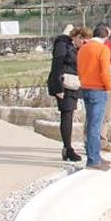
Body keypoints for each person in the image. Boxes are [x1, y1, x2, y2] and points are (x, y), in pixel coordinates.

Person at [47, 25, 90, 162]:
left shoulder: (75, 46)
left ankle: (68, 148)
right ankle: (67, 148)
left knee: (69, 114)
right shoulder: (62, 44)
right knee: (67, 115)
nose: (84, 44)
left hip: (74, 84)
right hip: (64, 84)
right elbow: (57, 65)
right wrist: (58, 88)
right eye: (83, 41)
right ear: (78, 36)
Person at [77, 25, 111, 171]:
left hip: (85, 87)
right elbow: (105, 71)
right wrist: (108, 86)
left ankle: (95, 156)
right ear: (106, 36)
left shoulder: (83, 48)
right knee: (95, 126)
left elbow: (80, 69)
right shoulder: (103, 49)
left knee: (90, 123)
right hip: (98, 89)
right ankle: (93, 160)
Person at [96, 22, 111, 153]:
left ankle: (101, 140)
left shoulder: (110, 46)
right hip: (101, 84)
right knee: (99, 113)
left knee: (105, 113)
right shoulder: (98, 46)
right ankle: (98, 141)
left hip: (109, 81)